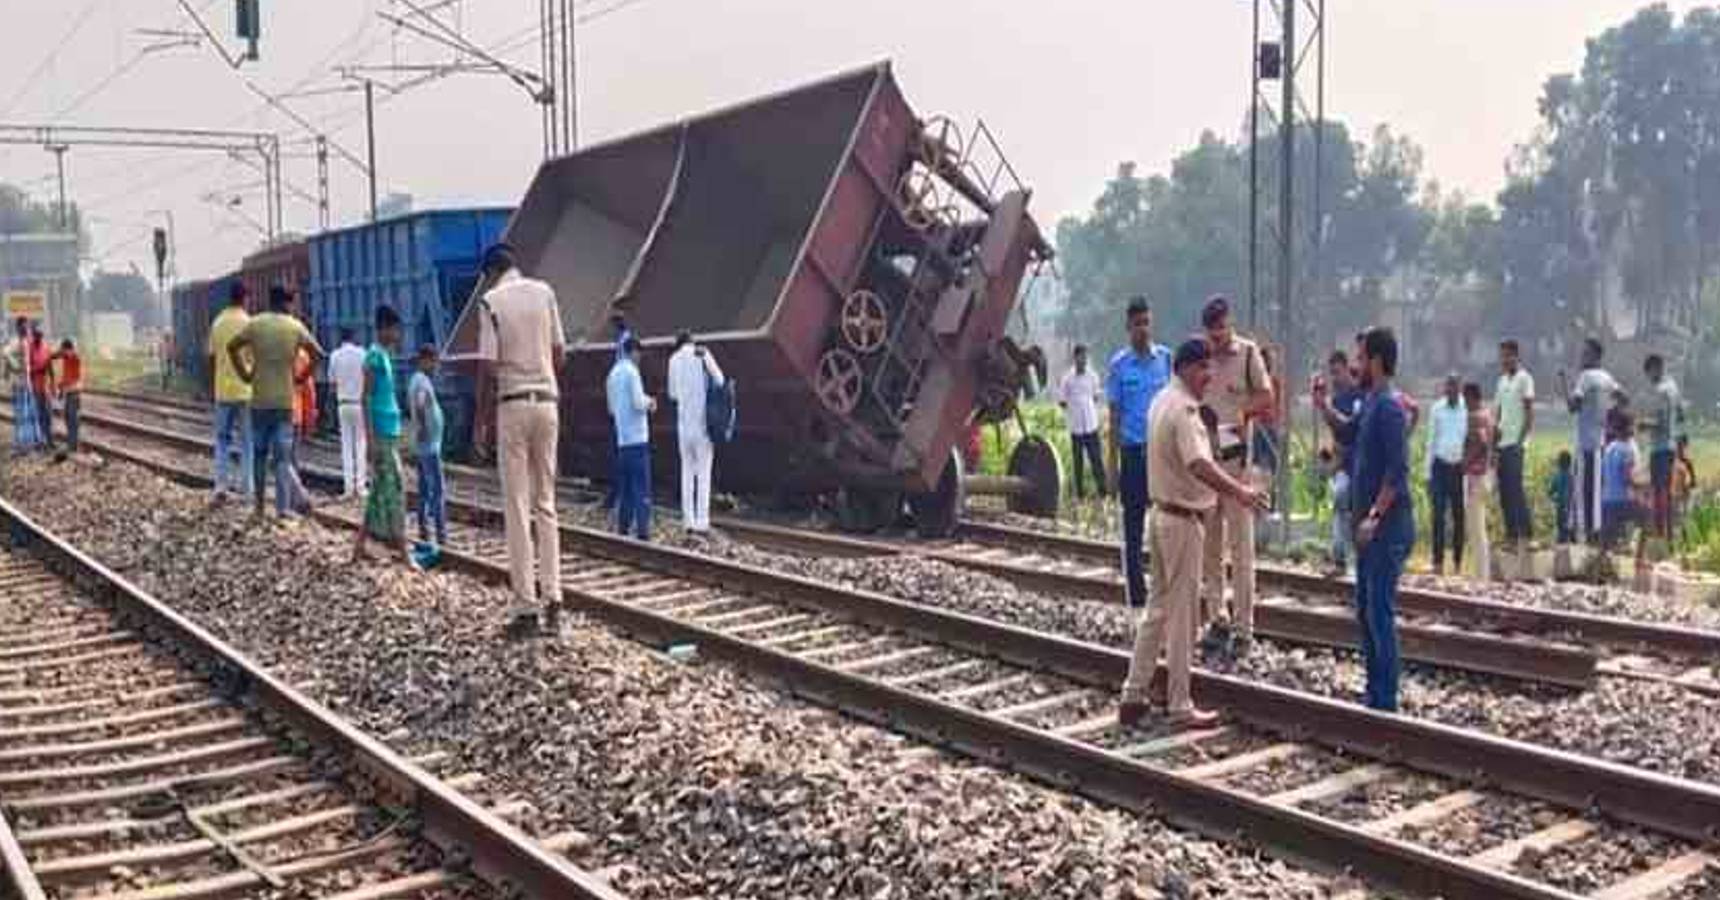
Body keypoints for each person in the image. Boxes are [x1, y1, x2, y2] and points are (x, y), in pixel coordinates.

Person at [1117, 338, 1267, 730]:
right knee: (1182, 618)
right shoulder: (1183, 410)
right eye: (1203, 369)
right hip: (1182, 520)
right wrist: (1240, 492)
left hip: (1161, 515)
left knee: (1157, 611)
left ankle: (1133, 695)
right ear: (1185, 368)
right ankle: (1180, 704)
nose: (1209, 377)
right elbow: (1198, 462)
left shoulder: (1160, 400)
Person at [476, 243, 566, 637]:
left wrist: (481, 420)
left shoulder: (491, 302)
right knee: (546, 505)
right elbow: (559, 352)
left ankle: (526, 607)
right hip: (548, 404)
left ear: (491, 272)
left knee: (517, 505)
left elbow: (488, 365)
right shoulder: (545, 292)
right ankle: (555, 600)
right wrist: (540, 368)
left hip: (512, 405)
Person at [1198, 296, 1273, 652]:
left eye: (1223, 331)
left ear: (1230, 324)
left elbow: (1266, 396)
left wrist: (1242, 413)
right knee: (1210, 548)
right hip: (1207, 465)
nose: (1219, 339)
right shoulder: (1201, 358)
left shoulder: (1247, 354)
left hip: (1238, 465)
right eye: (1213, 334)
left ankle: (1245, 627)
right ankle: (1218, 617)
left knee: (1241, 550)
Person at [1351, 326, 1415, 713]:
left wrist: (1374, 516)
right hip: (1368, 532)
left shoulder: (1389, 406)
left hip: (1387, 529)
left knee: (1379, 611)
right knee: (1366, 610)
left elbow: (1397, 470)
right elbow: (1347, 432)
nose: (1356, 365)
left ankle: (1386, 700)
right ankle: (1374, 694)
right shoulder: (1371, 401)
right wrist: (1323, 405)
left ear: (1375, 360)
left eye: (1360, 358)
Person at [229, 286, 324, 521]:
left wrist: (245, 373)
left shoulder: (255, 324)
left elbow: (232, 347)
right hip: (284, 402)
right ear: (286, 303)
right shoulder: (294, 326)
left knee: (259, 455)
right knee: (282, 458)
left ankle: (260, 508)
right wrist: (301, 377)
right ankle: (282, 510)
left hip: (259, 400)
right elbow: (319, 354)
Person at [1107, 297, 1172, 610]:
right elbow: (1114, 416)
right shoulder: (1119, 366)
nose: (1142, 330)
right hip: (1133, 454)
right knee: (1133, 529)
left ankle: (1163, 587)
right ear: (1128, 328)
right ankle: (1136, 595)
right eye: (1137, 325)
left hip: (1162, 454)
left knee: (1164, 523)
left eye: (1146, 322)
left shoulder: (1166, 360)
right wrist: (1111, 465)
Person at [351, 305, 411, 564]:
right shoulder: (374, 357)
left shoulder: (383, 356)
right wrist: (370, 441)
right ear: (385, 329)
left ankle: (359, 548)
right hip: (382, 435)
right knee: (396, 490)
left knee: (378, 492)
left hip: (389, 432)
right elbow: (365, 398)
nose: (399, 335)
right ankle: (405, 553)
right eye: (396, 329)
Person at [666, 330, 726, 535]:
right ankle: (703, 521)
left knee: (687, 473)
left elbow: (672, 394)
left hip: (683, 427)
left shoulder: (673, 360)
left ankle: (688, 521)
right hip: (702, 426)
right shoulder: (702, 354)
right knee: (703, 473)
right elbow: (720, 380)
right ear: (692, 342)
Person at [1312, 350, 1364, 574]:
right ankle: (1339, 558)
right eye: (1331, 373)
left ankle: (1357, 559)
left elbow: (1351, 429)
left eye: (1338, 372)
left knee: (1355, 511)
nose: (1335, 378)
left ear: (1346, 368)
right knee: (1340, 500)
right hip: (1344, 464)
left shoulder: (1359, 394)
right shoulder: (1337, 398)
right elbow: (1335, 431)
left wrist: (1325, 407)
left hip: (1360, 463)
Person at [1566, 338, 1618, 544]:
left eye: (1585, 353)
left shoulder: (1585, 377)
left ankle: (1581, 533)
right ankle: (1594, 530)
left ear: (1595, 356)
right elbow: (1623, 397)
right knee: (1596, 489)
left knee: (1580, 489)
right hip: (1600, 442)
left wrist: (1566, 391)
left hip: (1584, 443)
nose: (1582, 357)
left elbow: (1573, 406)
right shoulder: (1607, 378)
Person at [209, 283, 255, 501]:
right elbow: (254, 358)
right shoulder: (248, 323)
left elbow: (211, 356)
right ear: (244, 298)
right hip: (245, 391)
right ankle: (247, 487)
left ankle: (220, 485)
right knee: (247, 441)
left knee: (222, 440)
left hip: (222, 391)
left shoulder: (218, 322)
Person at [607, 336, 656, 540]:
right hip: (638, 439)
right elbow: (638, 402)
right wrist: (650, 402)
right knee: (641, 487)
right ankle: (643, 531)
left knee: (625, 489)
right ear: (634, 352)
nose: (640, 358)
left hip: (622, 440)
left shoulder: (613, 374)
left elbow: (611, 409)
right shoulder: (631, 372)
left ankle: (623, 529)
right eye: (639, 354)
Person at [1493, 340, 1536, 549]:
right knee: (1504, 491)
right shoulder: (1501, 381)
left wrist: (1521, 441)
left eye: (1507, 355)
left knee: (1516, 489)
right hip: (1501, 443)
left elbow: (1529, 412)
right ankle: (1511, 536)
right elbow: (1498, 413)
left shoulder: (1525, 379)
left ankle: (1527, 535)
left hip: (1516, 444)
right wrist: (1493, 445)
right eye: (1502, 356)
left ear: (1516, 356)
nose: (1504, 359)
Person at [1425, 374, 1467, 576]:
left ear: (1459, 389)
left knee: (1459, 516)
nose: (1450, 391)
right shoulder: (1437, 409)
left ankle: (1458, 562)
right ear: (1444, 389)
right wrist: (1427, 472)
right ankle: (1438, 562)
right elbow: (1431, 441)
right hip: (1439, 467)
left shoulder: (1466, 408)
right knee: (1438, 516)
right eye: (1447, 387)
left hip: (1459, 468)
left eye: (1454, 387)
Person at [410, 344, 447, 550]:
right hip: (429, 445)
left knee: (424, 489)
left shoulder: (417, 379)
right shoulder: (422, 381)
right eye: (434, 361)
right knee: (437, 489)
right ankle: (441, 534)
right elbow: (421, 403)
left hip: (425, 444)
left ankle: (424, 528)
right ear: (425, 360)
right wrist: (424, 426)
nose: (436, 366)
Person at [1641, 354, 1681, 539]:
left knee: (1659, 493)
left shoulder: (1661, 390)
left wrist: (1644, 424)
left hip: (1660, 448)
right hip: (1671, 445)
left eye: (1649, 373)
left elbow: (1660, 422)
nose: (1649, 379)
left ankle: (1660, 535)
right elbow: (1680, 415)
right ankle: (1670, 535)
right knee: (1668, 492)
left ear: (1655, 368)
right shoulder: (1674, 388)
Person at [1059, 344, 1106, 499]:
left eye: (1086, 357)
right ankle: (1079, 494)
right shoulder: (1067, 378)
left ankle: (1103, 492)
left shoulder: (1092, 376)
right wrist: (1073, 409)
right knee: (1078, 462)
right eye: (1081, 357)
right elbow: (1062, 401)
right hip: (1076, 427)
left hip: (1091, 424)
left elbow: (1096, 396)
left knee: (1096, 460)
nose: (1083, 360)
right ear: (1075, 358)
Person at [1600, 410, 1642, 575]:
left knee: (1606, 539)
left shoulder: (1609, 448)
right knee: (1648, 518)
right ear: (1628, 428)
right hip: (1622, 501)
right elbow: (1627, 479)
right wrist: (1643, 487)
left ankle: (1598, 569)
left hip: (1607, 500)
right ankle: (1639, 561)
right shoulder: (1627, 450)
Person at [328, 329, 368, 498]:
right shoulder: (362, 354)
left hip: (343, 403)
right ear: (354, 338)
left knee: (346, 446)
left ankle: (348, 488)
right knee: (360, 444)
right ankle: (361, 487)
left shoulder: (335, 355)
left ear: (340, 339)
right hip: (359, 403)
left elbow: (332, 383)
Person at [1462, 382, 1494, 581]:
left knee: (1476, 528)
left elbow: (1481, 442)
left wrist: (1465, 463)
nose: (1464, 403)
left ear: (1471, 397)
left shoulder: (1475, 417)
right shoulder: (1489, 414)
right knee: (1479, 526)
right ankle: (1482, 572)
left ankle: (1481, 575)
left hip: (1476, 475)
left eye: (1465, 399)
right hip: (1486, 474)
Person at [5, 319, 43, 451]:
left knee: (31, 412)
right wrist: (16, 367)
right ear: (18, 328)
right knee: (22, 413)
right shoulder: (15, 342)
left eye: (26, 327)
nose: (25, 329)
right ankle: (22, 442)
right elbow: (6, 353)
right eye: (23, 327)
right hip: (19, 383)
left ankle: (33, 440)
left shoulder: (27, 342)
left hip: (27, 383)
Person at [49, 339, 82, 453]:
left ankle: (73, 446)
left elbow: (73, 379)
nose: (62, 353)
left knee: (73, 419)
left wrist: (62, 386)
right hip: (67, 392)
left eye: (64, 351)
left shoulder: (75, 358)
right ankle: (71, 443)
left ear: (69, 349)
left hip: (73, 392)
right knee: (67, 418)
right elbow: (55, 355)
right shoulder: (66, 356)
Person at [28, 326, 54, 452]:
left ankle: (50, 439)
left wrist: (53, 384)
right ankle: (41, 440)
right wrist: (38, 370)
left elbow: (50, 367)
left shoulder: (46, 347)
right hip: (36, 386)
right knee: (39, 414)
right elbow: (28, 370)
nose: (39, 338)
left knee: (48, 414)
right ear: (33, 336)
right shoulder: (29, 349)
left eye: (40, 336)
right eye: (37, 336)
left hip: (46, 386)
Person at [1549, 450, 1575, 544]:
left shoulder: (1556, 476)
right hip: (1570, 506)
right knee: (1570, 527)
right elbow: (1574, 491)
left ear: (1558, 463)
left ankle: (1561, 542)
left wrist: (1556, 499)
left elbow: (1550, 492)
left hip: (1560, 506)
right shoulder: (1571, 476)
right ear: (1569, 463)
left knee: (1561, 528)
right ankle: (1571, 541)